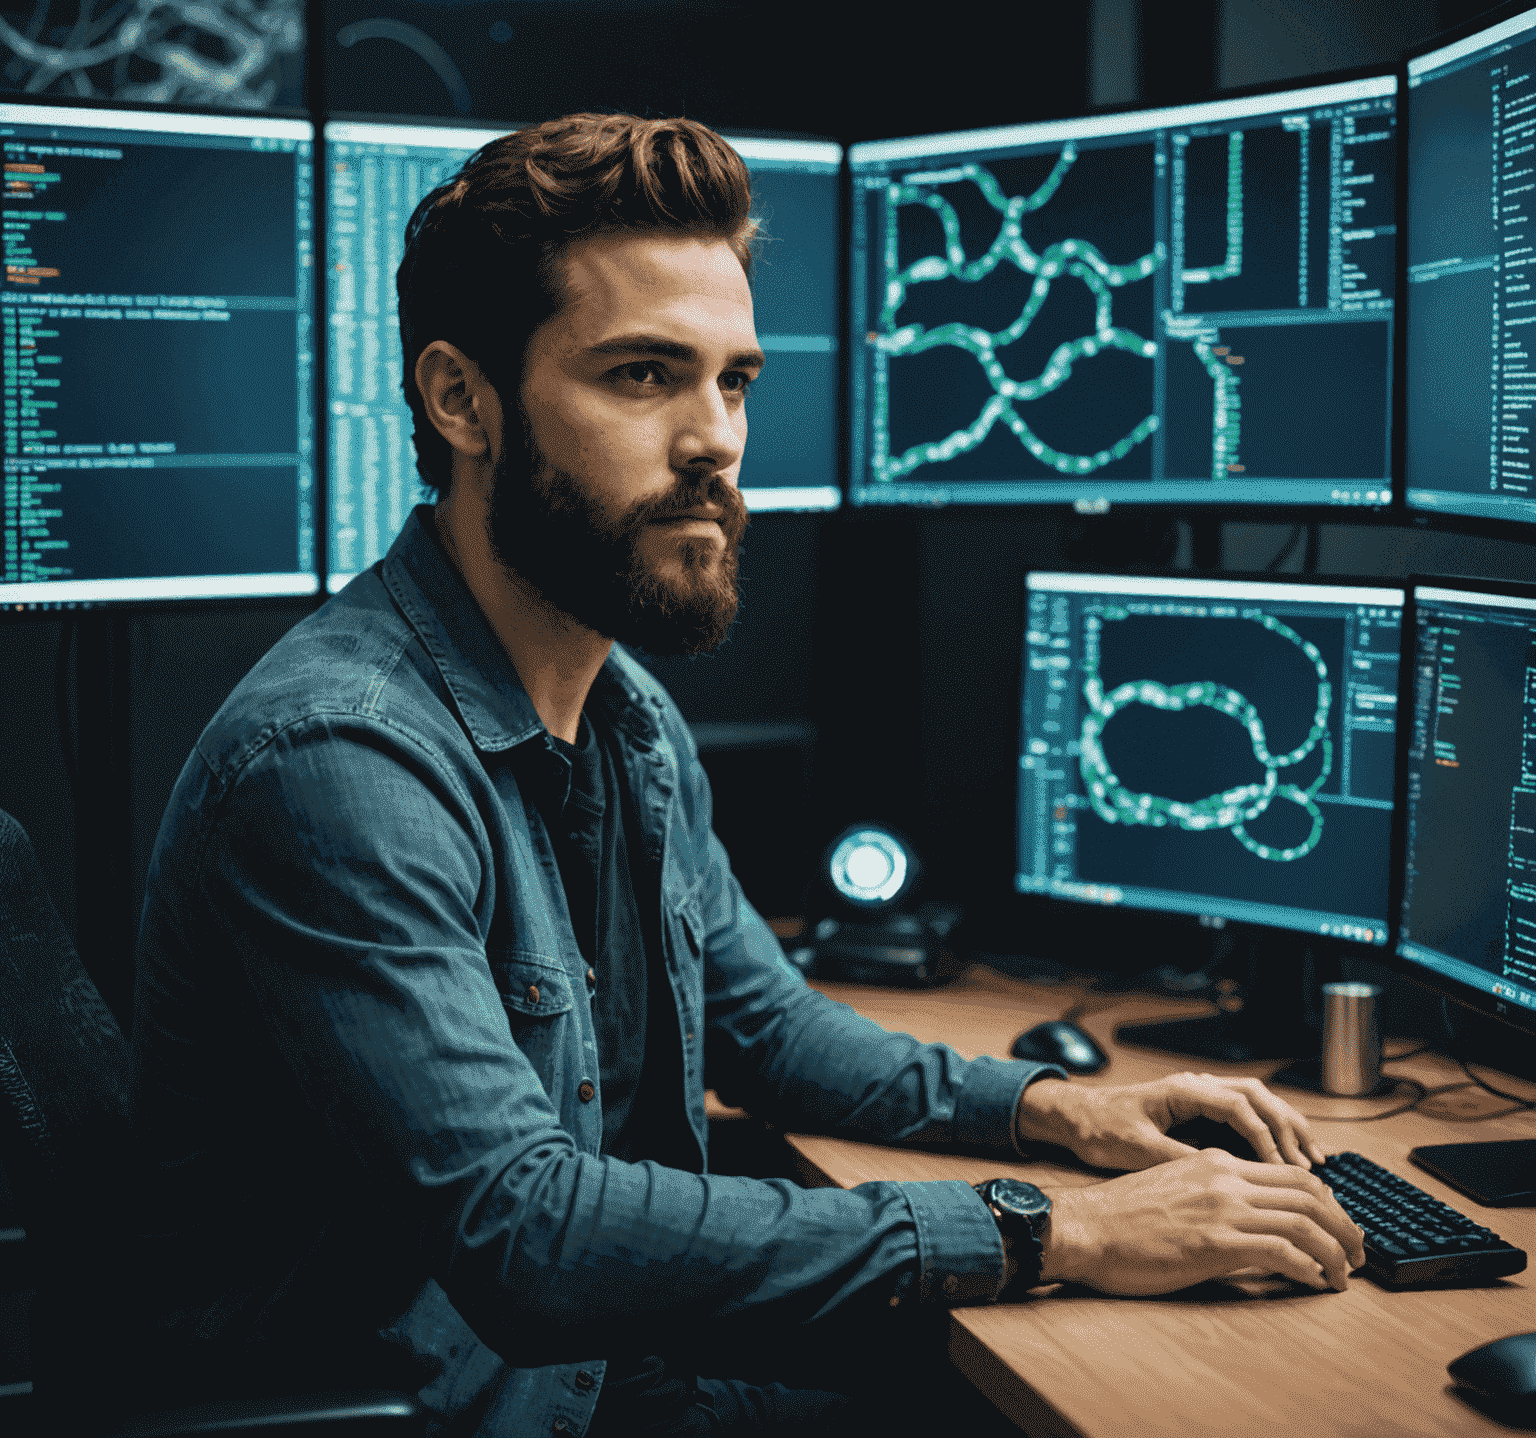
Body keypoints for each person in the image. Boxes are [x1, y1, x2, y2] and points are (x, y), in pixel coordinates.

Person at [123, 114, 1364, 1436]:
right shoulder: (339, 761)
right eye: (645, 376)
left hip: (608, 1368)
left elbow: (774, 1035)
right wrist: (1058, 1228)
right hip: (469, 1405)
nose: (716, 440)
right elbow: (529, 1233)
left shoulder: (622, 712)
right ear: (460, 398)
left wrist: (1070, 1116)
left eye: (736, 382)